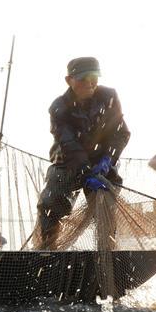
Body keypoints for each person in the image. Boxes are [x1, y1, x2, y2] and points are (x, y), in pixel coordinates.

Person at [36, 56, 131, 249]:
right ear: (69, 80)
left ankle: (107, 251)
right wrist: (85, 170)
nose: (89, 83)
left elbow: (121, 132)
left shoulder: (109, 96)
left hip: (102, 162)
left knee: (105, 205)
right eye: (82, 78)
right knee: (50, 203)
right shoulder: (59, 107)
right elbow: (68, 143)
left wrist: (106, 160)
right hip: (67, 161)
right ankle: (47, 249)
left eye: (94, 77)